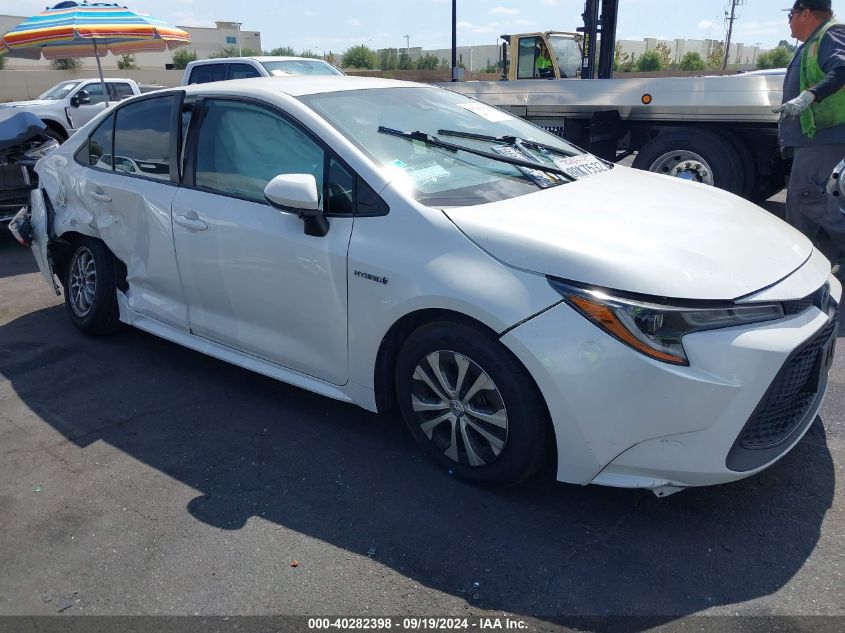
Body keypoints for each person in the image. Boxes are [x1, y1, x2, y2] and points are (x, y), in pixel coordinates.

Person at [775, 0, 845, 271]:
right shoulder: (813, 41)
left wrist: (809, 96)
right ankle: (801, 259)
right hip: (814, 136)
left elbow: (842, 69)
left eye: (791, 14)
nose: (789, 20)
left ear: (806, 13)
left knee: (806, 195)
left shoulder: (830, 33)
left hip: (827, 134)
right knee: (799, 200)